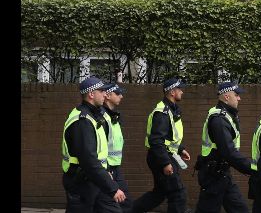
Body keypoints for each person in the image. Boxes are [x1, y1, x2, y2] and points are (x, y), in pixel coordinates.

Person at [62, 76, 126, 212]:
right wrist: (112, 187)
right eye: (101, 91)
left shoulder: (93, 116)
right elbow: (88, 159)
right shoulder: (83, 121)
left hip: (93, 178)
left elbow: (98, 153)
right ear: (91, 94)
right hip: (81, 181)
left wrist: (106, 172)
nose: (105, 94)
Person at [133, 78, 190, 213]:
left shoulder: (171, 110)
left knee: (159, 194)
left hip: (164, 154)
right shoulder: (162, 112)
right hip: (162, 156)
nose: (182, 92)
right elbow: (156, 139)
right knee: (177, 193)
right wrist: (165, 162)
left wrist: (180, 149)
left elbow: (168, 137)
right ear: (172, 92)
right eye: (179, 89)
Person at [194, 81, 252, 213]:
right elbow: (228, 151)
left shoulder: (227, 116)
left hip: (222, 173)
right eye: (236, 95)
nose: (239, 98)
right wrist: (251, 168)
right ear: (226, 96)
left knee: (240, 209)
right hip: (213, 176)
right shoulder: (219, 119)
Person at [103, 83, 133, 213]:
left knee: (126, 202)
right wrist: (106, 169)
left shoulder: (113, 116)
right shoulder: (102, 118)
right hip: (106, 168)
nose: (121, 96)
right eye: (117, 93)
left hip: (115, 168)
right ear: (108, 95)